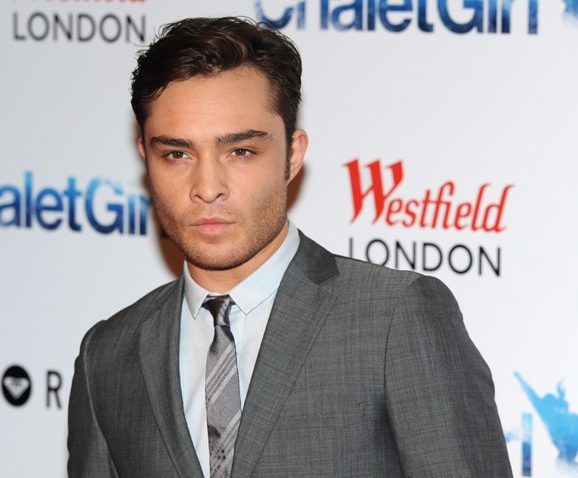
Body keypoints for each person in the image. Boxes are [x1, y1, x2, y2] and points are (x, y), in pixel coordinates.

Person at [67, 16, 513, 478]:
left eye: (240, 151)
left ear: (293, 155)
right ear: (146, 158)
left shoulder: (393, 318)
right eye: (177, 154)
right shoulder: (108, 355)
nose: (207, 187)